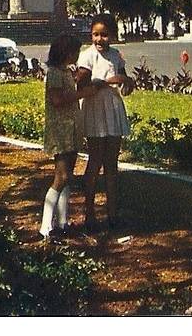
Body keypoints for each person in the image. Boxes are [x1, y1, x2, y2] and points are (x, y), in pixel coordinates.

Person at [75, 13, 135, 232]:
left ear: (112, 35)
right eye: (95, 35)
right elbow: (80, 86)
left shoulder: (116, 56)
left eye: (104, 35)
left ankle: (112, 213)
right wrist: (108, 81)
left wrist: (127, 82)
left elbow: (125, 84)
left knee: (111, 164)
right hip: (94, 109)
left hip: (113, 110)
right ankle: (89, 213)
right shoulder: (87, 56)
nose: (100, 39)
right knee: (94, 161)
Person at [39, 34, 96, 241]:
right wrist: (82, 94)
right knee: (61, 177)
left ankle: (62, 221)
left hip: (71, 129)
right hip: (60, 130)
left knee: (67, 177)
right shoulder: (54, 73)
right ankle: (46, 225)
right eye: (75, 53)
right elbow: (56, 100)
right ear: (66, 53)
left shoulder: (65, 72)